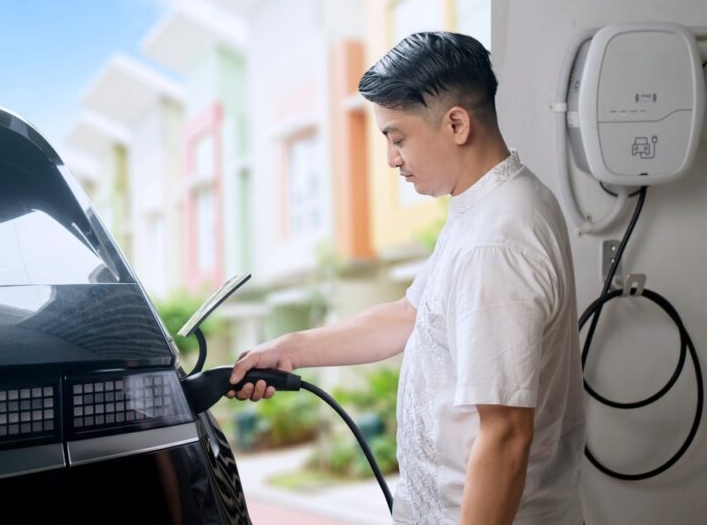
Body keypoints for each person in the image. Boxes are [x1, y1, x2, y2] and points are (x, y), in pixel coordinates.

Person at [228, 32, 585, 525]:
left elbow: (506, 436)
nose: (392, 159)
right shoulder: (482, 210)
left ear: (456, 123)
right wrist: (288, 349)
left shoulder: (496, 240)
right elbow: (408, 317)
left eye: (398, 138)